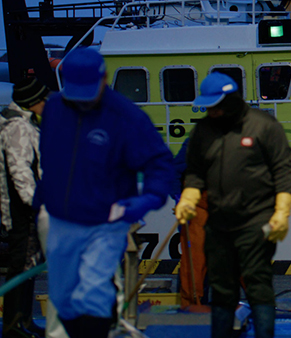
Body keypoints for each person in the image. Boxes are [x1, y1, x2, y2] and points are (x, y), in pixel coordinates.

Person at [35, 47, 174, 338]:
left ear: (104, 79)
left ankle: (99, 329)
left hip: (107, 219)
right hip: (62, 217)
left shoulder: (126, 117)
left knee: (94, 291)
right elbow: (49, 158)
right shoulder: (56, 110)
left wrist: (148, 198)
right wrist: (41, 198)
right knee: (63, 298)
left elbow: (159, 163)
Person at [176, 72, 291, 338]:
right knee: (197, 269)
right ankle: (192, 316)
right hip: (204, 211)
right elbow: (181, 170)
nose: (212, 112)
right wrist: (181, 197)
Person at [1, 77, 49, 338]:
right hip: (22, 207)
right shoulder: (18, 127)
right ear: (32, 102)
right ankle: (14, 323)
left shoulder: (26, 124)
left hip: (26, 205)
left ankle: (24, 320)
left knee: (29, 263)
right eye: (43, 100)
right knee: (21, 263)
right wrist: (35, 203)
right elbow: (20, 171)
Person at [172, 137, 210, 312]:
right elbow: (174, 172)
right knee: (193, 265)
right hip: (197, 210)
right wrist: (180, 199)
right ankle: (192, 308)